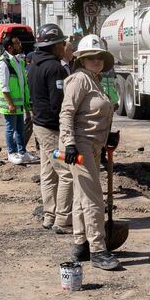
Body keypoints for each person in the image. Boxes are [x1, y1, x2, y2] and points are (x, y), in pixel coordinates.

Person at [60, 34, 120, 271]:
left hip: (94, 145)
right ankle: (98, 249)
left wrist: (108, 138)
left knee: (81, 196)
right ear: (81, 60)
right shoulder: (79, 80)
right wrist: (70, 144)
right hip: (80, 146)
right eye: (90, 58)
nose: (96, 61)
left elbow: (94, 115)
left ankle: (80, 243)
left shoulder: (94, 80)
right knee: (94, 197)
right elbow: (66, 113)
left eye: (99, 58)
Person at [28, 23, 72, 234]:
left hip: (40, 126)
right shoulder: (54, 67)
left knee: (48, 172)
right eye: (63, 43)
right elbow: (58, 102)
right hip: (52, 130)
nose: (65, 46)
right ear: (55, 46)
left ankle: (49, 215)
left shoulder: (34, 64)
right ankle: (62, 219)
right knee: (66, 173)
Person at [0, 34, 33, 164]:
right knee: (10, 128)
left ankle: (22, 152)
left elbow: (22, 83)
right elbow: (4, 86)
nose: (20, 45)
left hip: (19, 103)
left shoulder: (17, 60)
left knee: (20, 128)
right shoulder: (4, 62)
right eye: (17, 43)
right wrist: (10, 103)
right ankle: (11, 153)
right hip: (10, 104)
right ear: (10, 47)